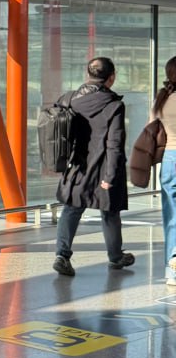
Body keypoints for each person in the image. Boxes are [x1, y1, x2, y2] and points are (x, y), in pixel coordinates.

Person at [53, 55, 133, 277]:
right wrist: (110, 176)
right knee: (110, 211)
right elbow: (114, 144)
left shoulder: (69, 99)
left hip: (76, 166)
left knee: (71, 209)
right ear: (111, 77)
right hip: (104, 166)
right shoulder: (114, 105)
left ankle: (62, 255)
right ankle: (115, 257)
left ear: (87, 75)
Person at [150, 56, 176, 287]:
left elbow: (151, 128)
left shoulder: (161, 99)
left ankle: (172, 271)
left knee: (171, 218)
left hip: (169, 160)